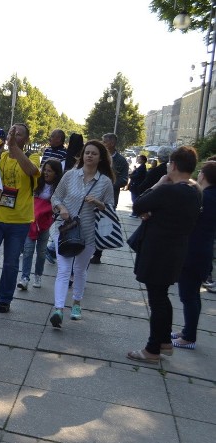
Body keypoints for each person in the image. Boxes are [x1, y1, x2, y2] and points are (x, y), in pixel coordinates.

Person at [128, 146, 202, 363]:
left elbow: (139, 204)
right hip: (176, 251)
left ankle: (152, 349)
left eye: (169, 164)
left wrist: (158, 184)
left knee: (157, 300)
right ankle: (164, 342)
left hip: (158, 252)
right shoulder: (195, 190)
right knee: (162, 298)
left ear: (174, 165)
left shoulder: (169, 190)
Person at [49, 141, 115, 328]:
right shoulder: (70, 175)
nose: (89, 156)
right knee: (63, 270)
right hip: (66, 229)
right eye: (87, 153)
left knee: (79, 270)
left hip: (89, 233)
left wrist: (99, 204)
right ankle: (58, 309)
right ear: (82, 155)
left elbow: (111, 208)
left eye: (94, 153)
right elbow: (56, 197)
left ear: (100, 157)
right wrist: (61, 207)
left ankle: (76, 304)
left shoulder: (105, 182)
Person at [0, 123, 40, 313]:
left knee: (11, 262)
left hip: (20, 220)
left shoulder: (34, 157)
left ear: (27, 139)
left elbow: (31, 171)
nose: (14, 136)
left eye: (19, 134)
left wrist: (14, 147)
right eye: (12, 133)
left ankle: (4, 299)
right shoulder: (1, 157)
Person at [172, 160, 216, 350]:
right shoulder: (211, 196)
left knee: (188, 295)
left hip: (193, 251)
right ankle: (187, 331)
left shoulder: (203, 197)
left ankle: (189, 337)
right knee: (192, 295)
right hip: (202, 251)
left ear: (203, 176)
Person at [18, 159, 63, 290]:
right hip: (31, 221)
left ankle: (38, 275)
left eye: (50, 171)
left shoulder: (59, 187)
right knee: (28, 251)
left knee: (42, 252)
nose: (46, 173)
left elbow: (58, 204)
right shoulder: (37, 182)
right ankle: (25, 277)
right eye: (45, 170)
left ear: (56, 173)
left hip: (45, 224)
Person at [90, 133, 128, 264]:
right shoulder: (99, 157)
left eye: (104, 141)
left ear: (112, 143)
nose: (102, 143)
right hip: (92, 195)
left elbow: (124, 179)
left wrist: (109, 185)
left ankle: (97, 253)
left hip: (108, 198)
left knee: (102, 224)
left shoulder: (121, 160)